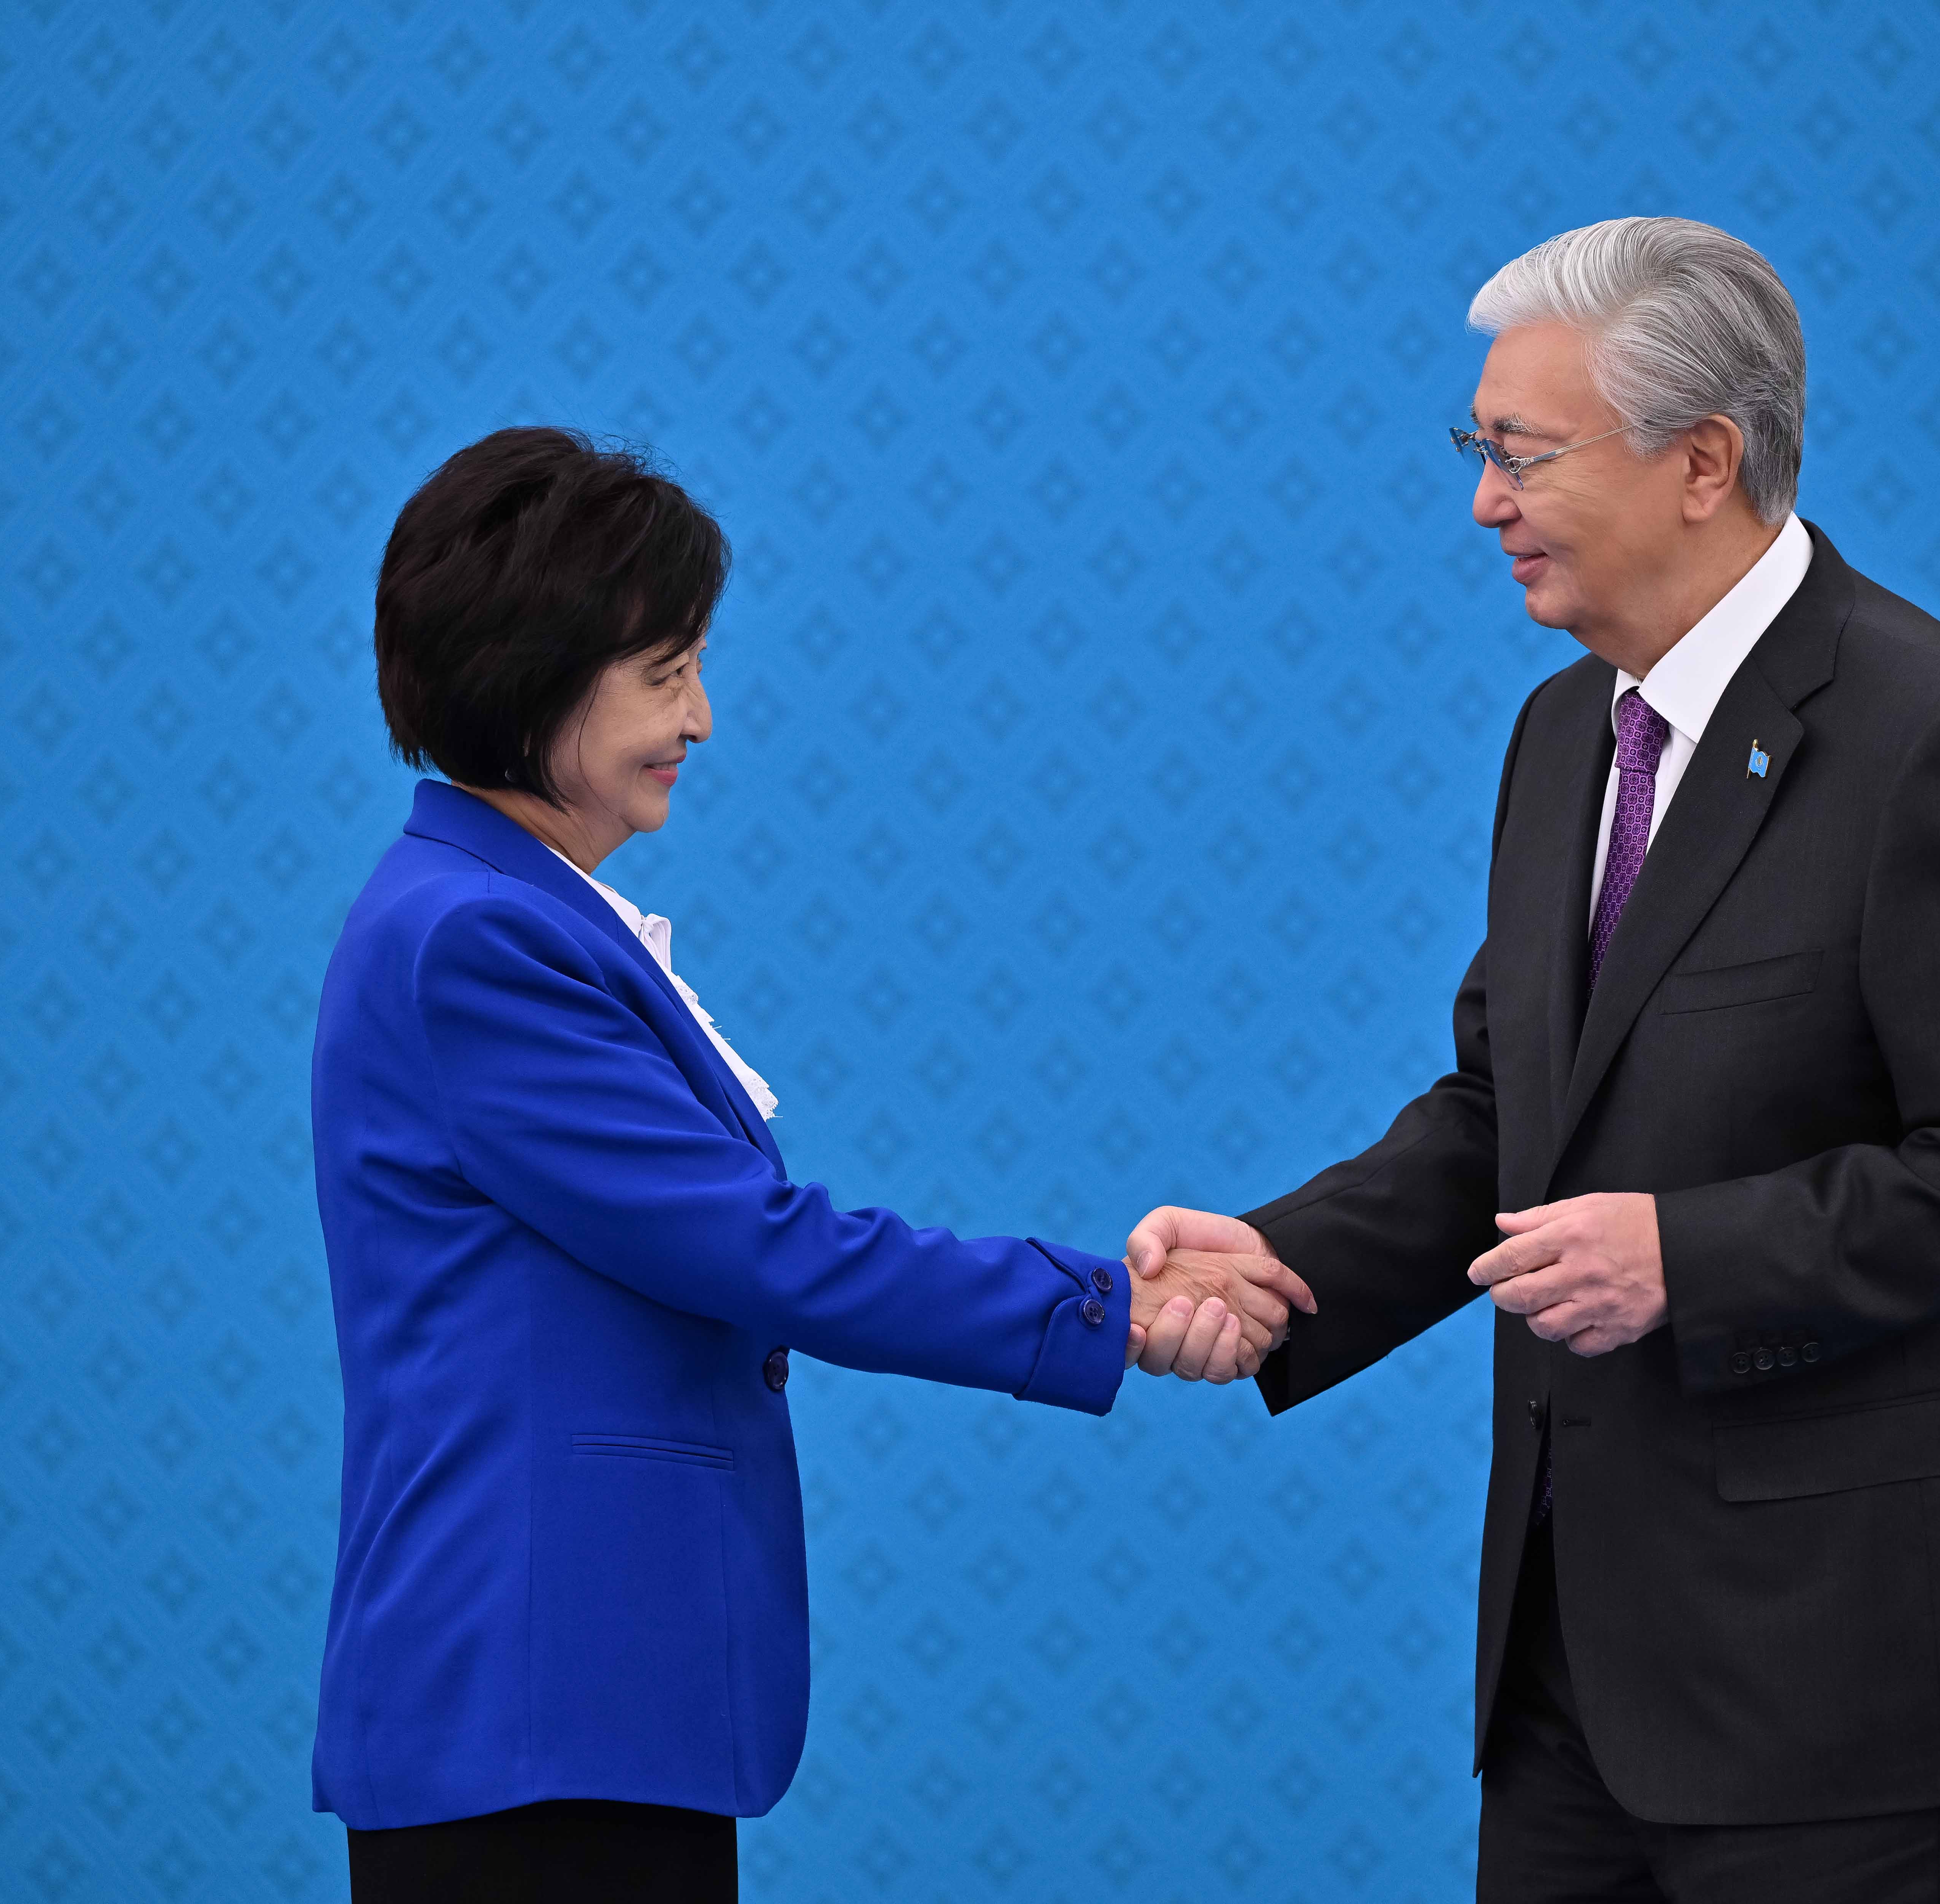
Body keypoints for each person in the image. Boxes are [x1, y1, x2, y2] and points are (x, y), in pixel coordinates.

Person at [1129, 219, 1940, 1904]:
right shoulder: (1565, 732)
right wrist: (1284, 1260)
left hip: (1851, 1675)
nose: (1484, 501)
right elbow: (1509, 1112)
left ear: (1703, 462)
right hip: (1571, 1673)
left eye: (1524, 454)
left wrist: (1693, 1256)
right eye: (1478, 449)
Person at [309, 427, 1309, 1903]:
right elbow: (755, 1244)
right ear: (533, 673)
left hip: (572, 1699)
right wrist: (1107, 1306)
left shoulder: (493, 910)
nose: (701, 718)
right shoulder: (478, 939)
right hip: (532, 1696)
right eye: (666, 673)